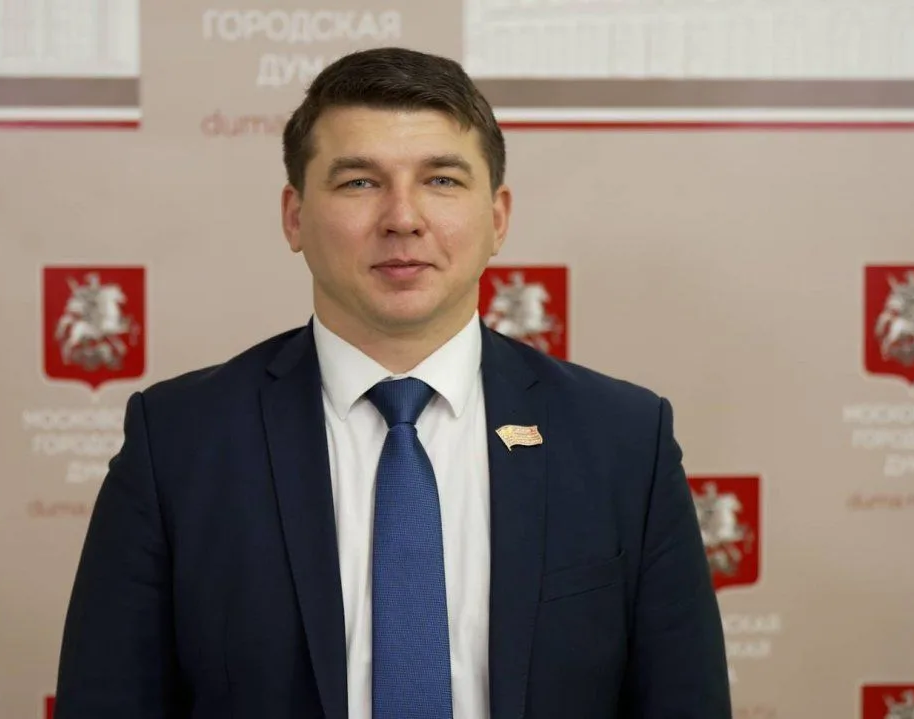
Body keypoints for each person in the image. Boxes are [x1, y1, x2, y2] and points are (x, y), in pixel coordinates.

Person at [54, 46, 731, 719]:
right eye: (359, 182)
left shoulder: (624, 442)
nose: (403, 217)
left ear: (497, 218)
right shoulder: (178, 442)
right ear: (294, 216)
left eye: (441, 180)